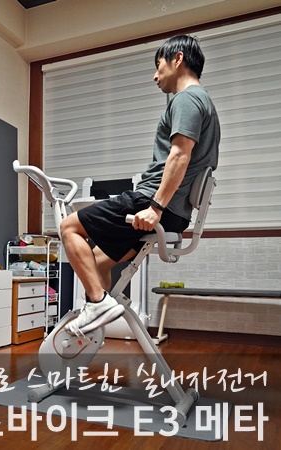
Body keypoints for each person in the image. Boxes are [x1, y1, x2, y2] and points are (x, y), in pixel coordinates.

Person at [60, 35, 220, 335]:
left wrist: (156, 207)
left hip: (154, 203)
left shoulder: (187, 98)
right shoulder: (203, 101)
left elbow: (180, 155)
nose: (155, 76)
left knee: (69, 227)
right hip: (174, 211)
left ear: (178, 59)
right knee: (97, 262)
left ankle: (97, 304)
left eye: (159, 65)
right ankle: (95, 325)